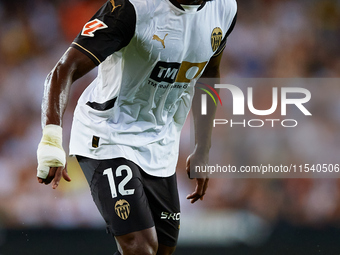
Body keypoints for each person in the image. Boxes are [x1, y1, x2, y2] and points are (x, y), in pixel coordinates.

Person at [36, 0, 237, 254]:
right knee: (140, 247)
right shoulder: (131, 8)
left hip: (160, 142)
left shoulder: (225, 8)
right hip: (107, 134)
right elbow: (65, 67)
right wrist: (51, 139)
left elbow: (209, 72)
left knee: (163, 249)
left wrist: (203, 148)